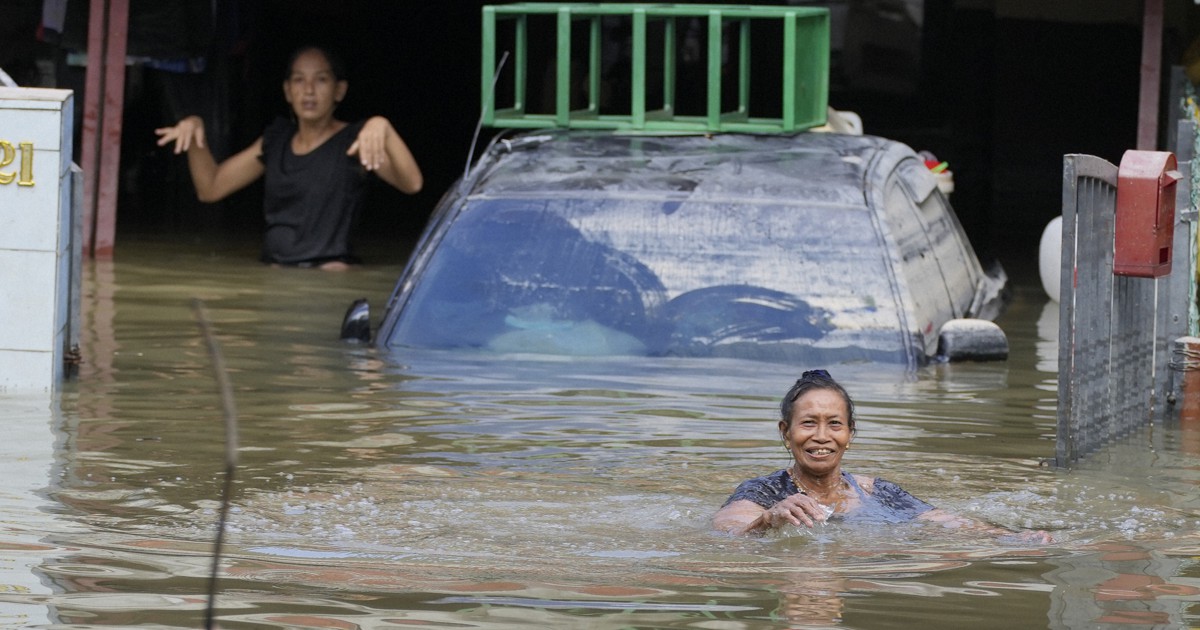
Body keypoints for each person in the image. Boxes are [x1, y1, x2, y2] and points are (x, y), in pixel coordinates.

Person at [154, 45, 423, 270]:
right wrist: (194, 134)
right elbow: (210, 188)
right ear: (287, 90)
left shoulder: (357, 142)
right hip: (275, 275)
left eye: (321, 79)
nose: (308, 90)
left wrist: (384, 127)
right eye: (298, 80)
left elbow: (412, 184)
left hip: (328, 279)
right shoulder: (276, 140)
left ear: (339, 90)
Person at [713, 369, 1052, 542]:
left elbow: (940, 519)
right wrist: (768, 520)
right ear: (786, 432)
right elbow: (727, 534)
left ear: (850, 434)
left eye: (834, 424)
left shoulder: (875, 491)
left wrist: (1009, 537)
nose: (821, 436)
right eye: (808, 424)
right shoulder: (764, 493)